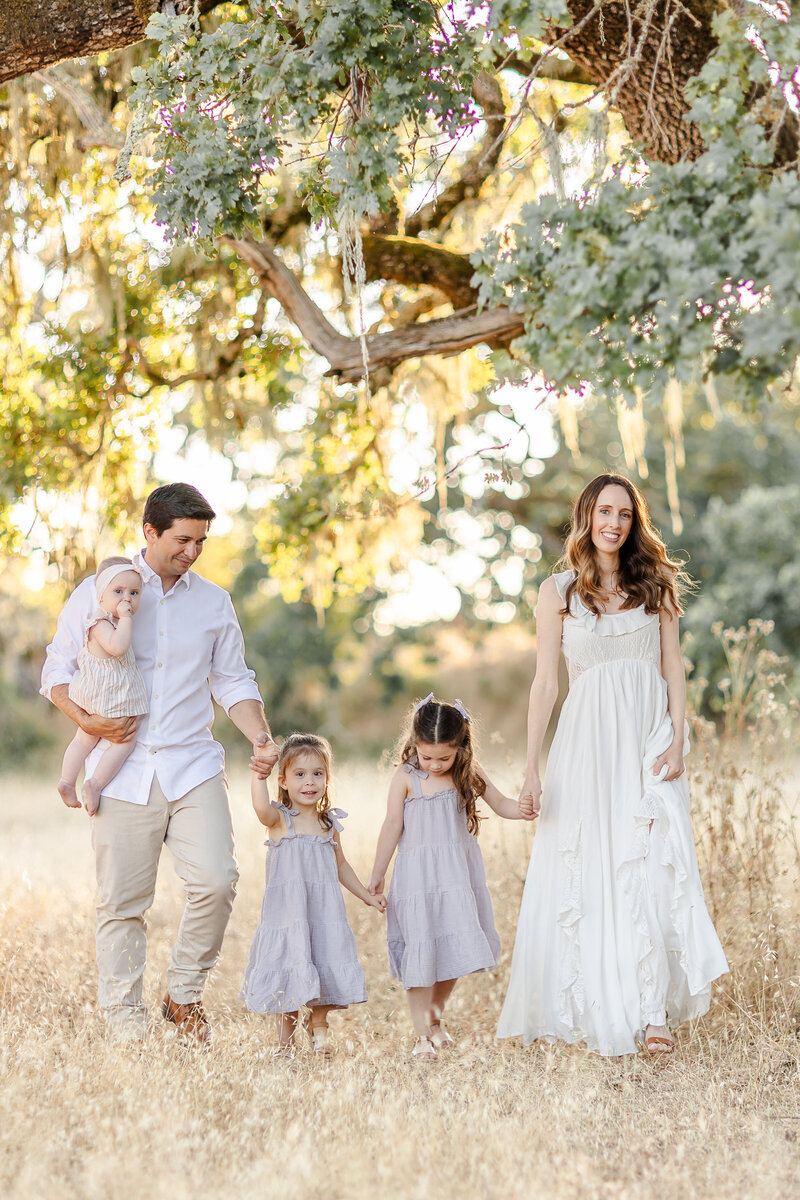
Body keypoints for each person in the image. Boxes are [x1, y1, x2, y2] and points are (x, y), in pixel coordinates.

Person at [497, 473, 728, 1057]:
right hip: (585, 745)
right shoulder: (558, 592)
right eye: (605, 512)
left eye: (625, 514)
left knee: (650, 864)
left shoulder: (657, 584)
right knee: (595, 868)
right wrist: (531, 767)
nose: (614, 523)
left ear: (634, 522)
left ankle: (654, 1015)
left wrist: (676, 740)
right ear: (586, 516)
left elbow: (673, 667)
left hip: (648, 741)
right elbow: (546, 682)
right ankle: (605, 1005)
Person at [41, 483, 279, 1045]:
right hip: (120, 769)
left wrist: (261, 735)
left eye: (200, 541)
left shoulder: (214, 602)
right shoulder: (102, 589)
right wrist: (89, 723)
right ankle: (127, 1026)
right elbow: (57, 667)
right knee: (122, 903)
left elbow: (231, 679)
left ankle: (182, 994)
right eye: (182, 539)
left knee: (217, 882)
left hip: (192, 764)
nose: (192, 551)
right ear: (149, 532)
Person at [369, 694, 533, 1060]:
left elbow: (503, 804)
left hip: (457, 879)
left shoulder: (467, 771)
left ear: (460, 748)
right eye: (427, 757)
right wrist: (378, 874)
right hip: (417, 880)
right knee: (421, 953)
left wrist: (524, 809)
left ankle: (434, 1018)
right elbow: (392, 825)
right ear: (414, 745)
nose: (435, 764)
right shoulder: (406, 776)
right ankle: (420, 1037)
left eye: (444, 757)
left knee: (454, 949)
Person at [241, 733, 386, 1056]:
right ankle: (285, 1045)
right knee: (289, 970)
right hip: (289, 914)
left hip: (323, 914)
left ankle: (319, 1026)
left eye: (318, 774)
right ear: (284, 780)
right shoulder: (280, 819)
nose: (309, 782)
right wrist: (258, 773)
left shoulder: (327, 823)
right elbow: (260, 808)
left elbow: (341, 865)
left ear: (327, 779)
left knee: (325, 962)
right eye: (300, 774)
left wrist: (366, 895)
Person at [57, 557, 148, 815]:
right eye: (118, 592)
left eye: (133, 593)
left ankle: (67, 781)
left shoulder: (110, 622)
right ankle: (94, 784)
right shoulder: (99, 623)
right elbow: (118, 648)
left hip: (103, 694)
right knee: (124, 741)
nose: (126, 599)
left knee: (84, 739)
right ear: (100, 596)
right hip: (106, 696)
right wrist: (127, 620)